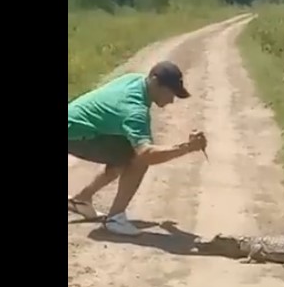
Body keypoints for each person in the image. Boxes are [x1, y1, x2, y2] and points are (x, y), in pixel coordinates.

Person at [68, 60, 207, 236]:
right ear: (155, 82)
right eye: (170, 93)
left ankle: (82, 200)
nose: (171, 100)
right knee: (138, 157)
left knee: (127, 151)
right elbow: (147, 155)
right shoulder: (135, 110)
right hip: (74, 134)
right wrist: (187, 147)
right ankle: (115, 219)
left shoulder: (136, 81)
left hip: (77, 122)